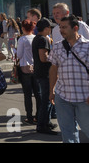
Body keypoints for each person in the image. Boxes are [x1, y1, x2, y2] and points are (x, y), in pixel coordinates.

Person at [49, 15, 89, 143]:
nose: (61, 30)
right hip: (63, 97)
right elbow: (53, 69)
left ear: (75, 28)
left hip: (84, 98)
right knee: (68, 134)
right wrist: (52, 90)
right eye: (60, 27)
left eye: (65, 27)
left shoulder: (87, 46)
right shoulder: (57, 46)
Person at [31, 18, 57, 135]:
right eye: (50, 27)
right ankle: (42, 125)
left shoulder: (39, 38)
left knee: (47, 99)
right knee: (47, 100)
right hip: (45, 73)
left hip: (40, 72)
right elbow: (43, 57)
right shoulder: (42, 39)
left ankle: (46, 122)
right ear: (46, 28)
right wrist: (55, 58)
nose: (51, 29)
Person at [16, 19, 40, 125]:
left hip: (25, 67)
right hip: (36, 67)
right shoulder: (36, 38)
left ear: (23, 28)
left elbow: (19, 54)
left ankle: (29, 116)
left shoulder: (22, 39)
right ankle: (39, 115)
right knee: (38, 94)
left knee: (27, 94)